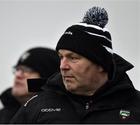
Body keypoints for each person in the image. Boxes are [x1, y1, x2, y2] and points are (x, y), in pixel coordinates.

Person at [10, 6, 140, 123]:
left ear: (102, 64)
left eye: (73, 58)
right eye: (61, 57)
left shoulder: (135, 106)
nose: (63, 66)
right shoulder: (37, 105)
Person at [0, 47, 60, 124]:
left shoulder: (62, 117)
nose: (18, 75)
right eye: (17, 69)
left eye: (27, 70)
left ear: (47, 78)